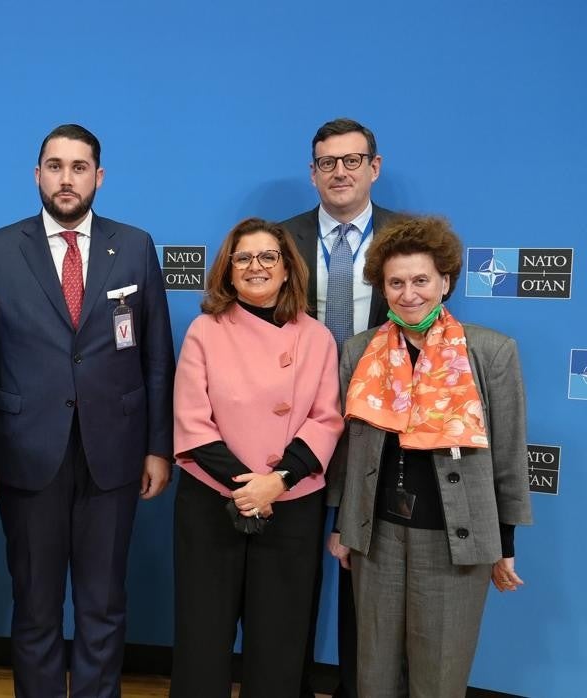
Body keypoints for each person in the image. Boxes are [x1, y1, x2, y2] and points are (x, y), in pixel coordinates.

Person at [0, 123, 174, 697]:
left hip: (116, 455)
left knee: (103, 605)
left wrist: (159, 446)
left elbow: (157, 357)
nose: (66, 178)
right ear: (36, 175)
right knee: (34, 606)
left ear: (98, 177)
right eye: (54, 166)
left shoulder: (134, 245)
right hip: (25, 455)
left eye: (79, 167)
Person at [334, 216, 531, 697]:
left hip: (455, 543)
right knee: (374, 673)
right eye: (396, 282)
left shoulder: (490, 351)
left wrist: (503, 545)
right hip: (375, 537)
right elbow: (346, 453)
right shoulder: (359, 351)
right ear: (382, 287)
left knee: (438, 678)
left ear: (445, 281)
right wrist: (342, 526)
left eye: (421, 280)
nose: (409, 294)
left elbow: (508, 457)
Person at [172, 217, 344, 697]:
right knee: (202, 636)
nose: (256, 266)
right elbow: (191, 422)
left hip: (291, 505)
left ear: (288, 268)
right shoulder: (204, 331)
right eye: (243, 258)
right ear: (228, 271)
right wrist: (249, 486)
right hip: (212, 503)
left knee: (280, 640)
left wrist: (277, 481)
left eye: (269, 256)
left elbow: (326, 420)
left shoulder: (317, 338)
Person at [281, 118, 398, 698]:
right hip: (294, 430)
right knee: (293, 581)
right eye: (328, 163)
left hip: (384, 433)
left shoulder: (408, 238)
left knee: (368, 587)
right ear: (313, 173)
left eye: (352, 160)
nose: (340, 172)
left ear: (374, 167)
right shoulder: (278, 242)